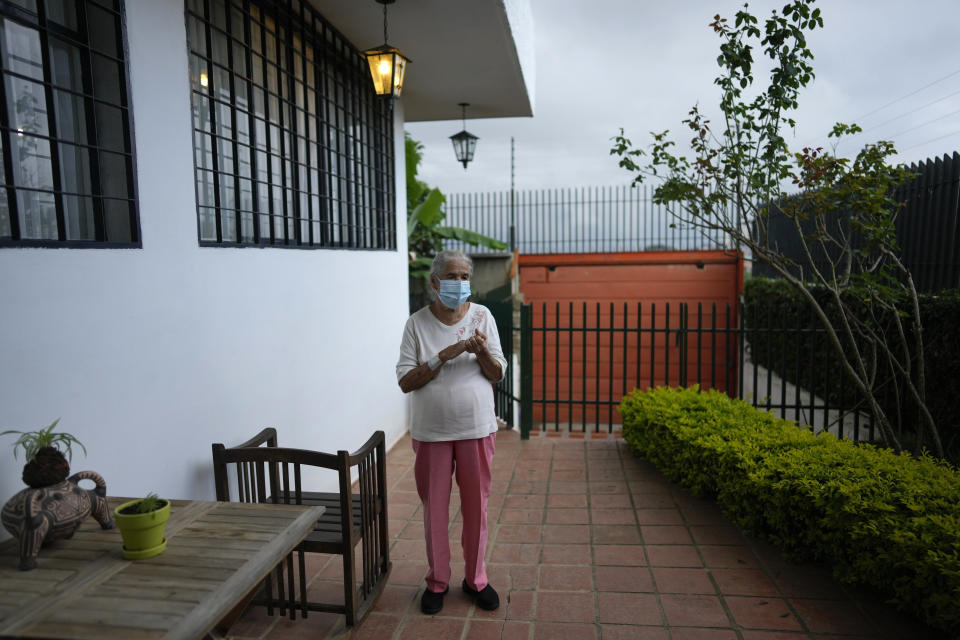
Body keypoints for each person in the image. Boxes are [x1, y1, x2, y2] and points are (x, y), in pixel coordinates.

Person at [396, 250, 507, 615]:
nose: (458, 284)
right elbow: (406, 381)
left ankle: (476, 580)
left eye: (464, 277)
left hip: (476, 429)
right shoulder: (416, 324)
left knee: (477, 508)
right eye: (451, 276)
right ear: (434, 282)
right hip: (432, 433)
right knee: (435, 512)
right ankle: (437, 580)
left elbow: (497, 373)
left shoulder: (482, 317)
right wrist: (441, 357)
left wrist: (481, 354)